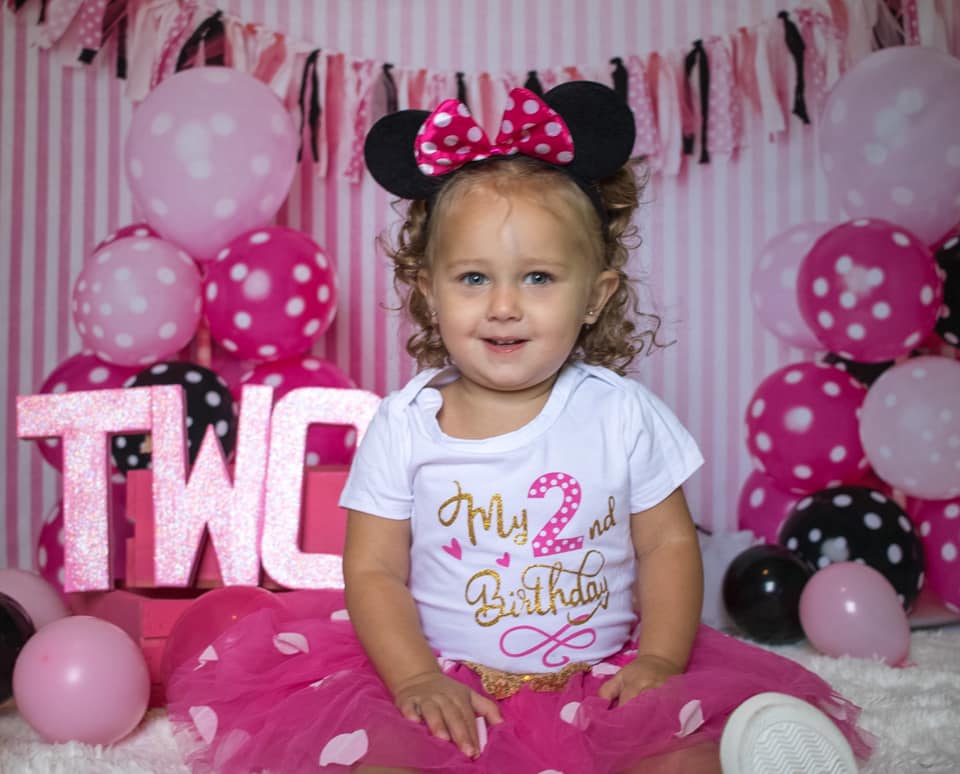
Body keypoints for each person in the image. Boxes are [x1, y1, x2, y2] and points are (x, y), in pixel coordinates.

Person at [166, 82, 871, 773]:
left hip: (602, 674)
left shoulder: (621, 414)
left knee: (680, 751)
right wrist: (414, 679)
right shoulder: (407, 424)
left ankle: (753, 753)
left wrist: (658, 658)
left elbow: (666, 545)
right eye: (474, 278)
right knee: (382, 758)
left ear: (594, 296)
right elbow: (374, 568)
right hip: (448, 676)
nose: (504, 306)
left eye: (538, 278)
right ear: (428, 290)